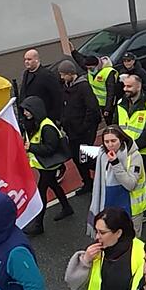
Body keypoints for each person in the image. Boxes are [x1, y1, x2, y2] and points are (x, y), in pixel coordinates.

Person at [20, 96, 73, 236]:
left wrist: (31, 147)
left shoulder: (47, 127)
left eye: (27, 110)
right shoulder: (35, 123)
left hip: (48, 166)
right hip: (44, 165)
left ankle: (38, 225)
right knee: (54, 185)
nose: (24, 113)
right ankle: (67, 208)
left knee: (41, 192)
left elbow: (50, 148)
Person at [88, 126, 146, 236]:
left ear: (121, 139)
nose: (110, 145)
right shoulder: (103, 155)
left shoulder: (134, 156)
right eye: (106, 141)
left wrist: (116, 163)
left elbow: (130, 184)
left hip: (131, 207)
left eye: (113, 141)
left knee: (131, 241)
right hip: (110, 207)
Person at [58, 60, 101, 194]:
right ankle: (88, 182)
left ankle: (105, 171)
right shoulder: (66, 86)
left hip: (83, 131)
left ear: (71, 74)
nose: (61, 77)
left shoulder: (83, 87)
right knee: (77, 158)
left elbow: (92, 108)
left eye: (63, 74)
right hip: (72, 131)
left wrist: (84, 127)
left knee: (85, 157)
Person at [116, 74, 146, 200]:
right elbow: (115, 127)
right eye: (124, 86)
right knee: (130, 185)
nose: (125, 89)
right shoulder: (121, 103)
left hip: (145, 154)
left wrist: (130, 148)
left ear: (139, 86)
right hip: (125, 152)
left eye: (129, 86)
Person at [72, 51, 119, 124]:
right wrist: (73, 52)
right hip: (96, 102)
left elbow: (111, 92)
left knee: (111, 122)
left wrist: (107, 108)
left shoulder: (108, 73)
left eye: (91, 68)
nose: (90, 70)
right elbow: (81, 61)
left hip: (107, 104)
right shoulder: (90, 69)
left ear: (97, 65)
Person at [19, 49, 63, 123]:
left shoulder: (46, 75)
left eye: (29, 59)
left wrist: (53, 116)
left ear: (36, 60)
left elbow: (57, 96)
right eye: (25, 59)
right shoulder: (25, 74)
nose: (26, 62)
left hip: (46, 117)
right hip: (29, 117)